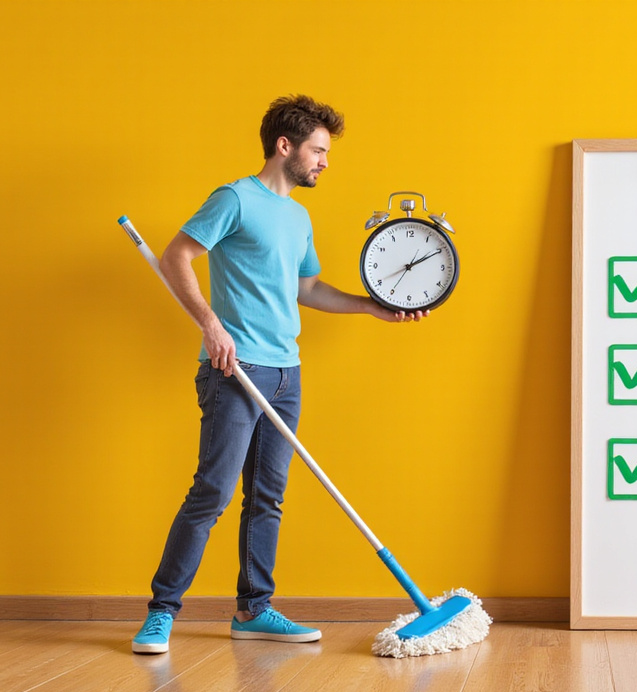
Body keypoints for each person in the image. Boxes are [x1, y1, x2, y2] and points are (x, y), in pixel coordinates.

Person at [132, 95, 427, 654]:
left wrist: (372, 305)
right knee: (213, 491)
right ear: (284, 146)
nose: (325, 161)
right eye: (318, 150)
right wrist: (211, 326)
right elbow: (176, 256)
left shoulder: (298, 216)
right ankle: (161, 612)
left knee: (267, 496)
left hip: (286, 372)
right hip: (234, 370)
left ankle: (254, 609)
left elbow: (305, 288)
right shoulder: (235, 199)